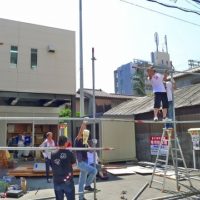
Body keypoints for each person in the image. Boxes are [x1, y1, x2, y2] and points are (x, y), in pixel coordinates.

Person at [74, 122, 97, 200]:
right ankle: (87, 185)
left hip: (85, 161)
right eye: (86, 134)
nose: (87, 136)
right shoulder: (78, 140)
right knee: (94, 171)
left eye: (88, 134)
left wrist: (94, 146)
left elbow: (90, 150)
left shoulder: (85, 142)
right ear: (83, 134)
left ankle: (81, 197)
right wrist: (84, 122)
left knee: (81, 181)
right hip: (81, 162)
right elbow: (80, 131)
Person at [51, 135, 76, 200]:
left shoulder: (53, 154)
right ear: (65, 143)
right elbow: (74, 165)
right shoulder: (69, 153)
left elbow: (52, 165)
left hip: (57, 180)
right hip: (67, 180)